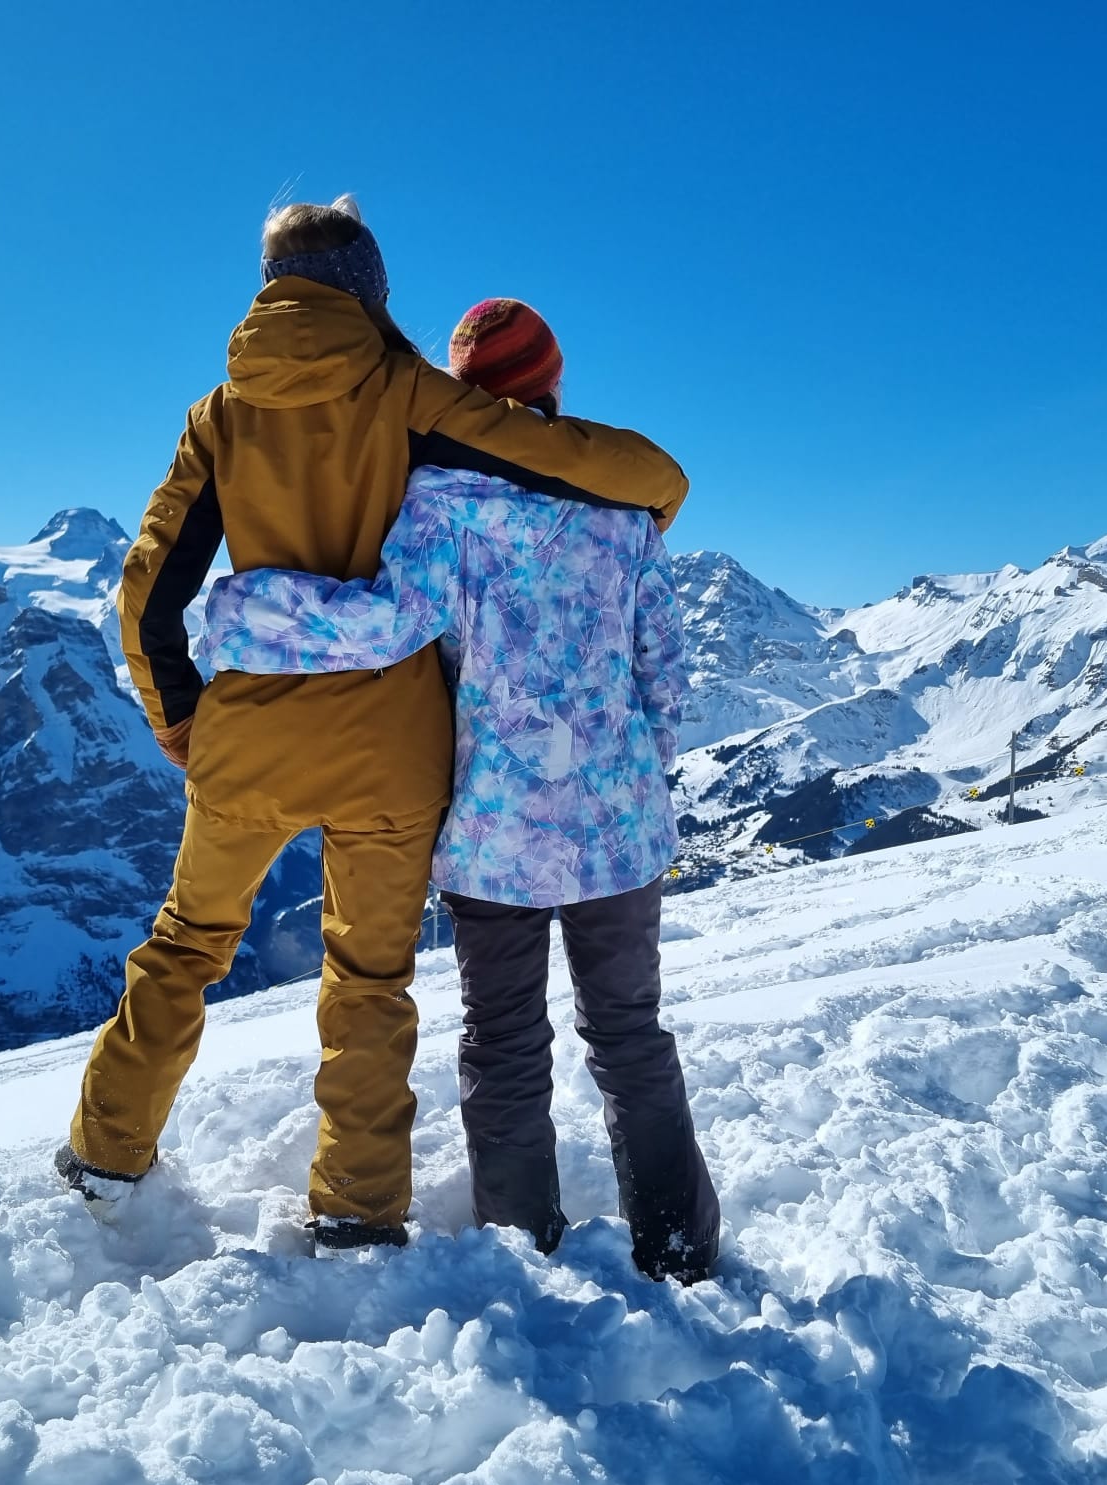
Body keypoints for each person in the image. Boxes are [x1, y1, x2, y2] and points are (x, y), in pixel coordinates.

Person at [58, 202, 690, 1257]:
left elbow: (150, 591)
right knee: (369, 981)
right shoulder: (410, 398)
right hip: (393, 754)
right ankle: (355, 1203)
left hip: (247, 736)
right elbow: (599, 473)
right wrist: (659, 496)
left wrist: (185, 720)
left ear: (270, 287)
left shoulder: (219, 417)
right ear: (371, 287)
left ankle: (107, 1153)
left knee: (184, 945)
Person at [197, 299, 720, 1283]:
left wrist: (243, 612)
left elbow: (382, 626)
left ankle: (524, 1254)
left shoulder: (442, 506)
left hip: (494, 829)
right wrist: (630, 771)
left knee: (505, 1042)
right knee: (631, 1037)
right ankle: (680, 1249)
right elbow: (667, 673)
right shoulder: (624, 512)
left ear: (467, 397)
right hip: (617, 829)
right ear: (555, 386)